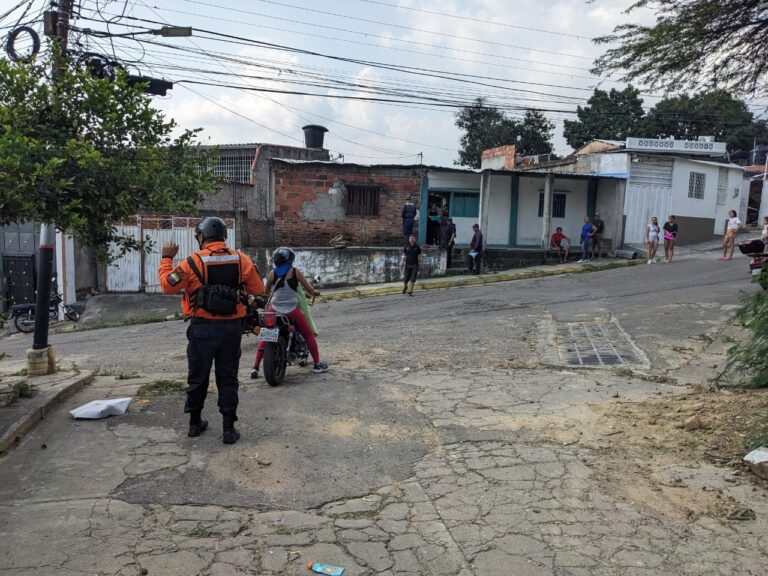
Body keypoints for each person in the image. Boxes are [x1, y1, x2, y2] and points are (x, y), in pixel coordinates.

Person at [159, 217, 264, 444]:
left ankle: (195, 425)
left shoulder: (192, 262)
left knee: (198, 377)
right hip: (231, 330)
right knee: (228, 378)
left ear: (201, 236)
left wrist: (167, 258)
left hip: (202, 330)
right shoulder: (241, 259)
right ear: (223, 236)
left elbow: (167, 285)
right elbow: (258, 288)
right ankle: (228, 429)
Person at [252, 247, 328, 378]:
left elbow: (266, 292)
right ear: (290, 259)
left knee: (266, 335)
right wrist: (314, 292)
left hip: (274, 309)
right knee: (308, 334)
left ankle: (255, 367)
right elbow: (309, 289)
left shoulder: (272, 274)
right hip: (292, 310)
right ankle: (317, 364)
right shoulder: (295, 272)